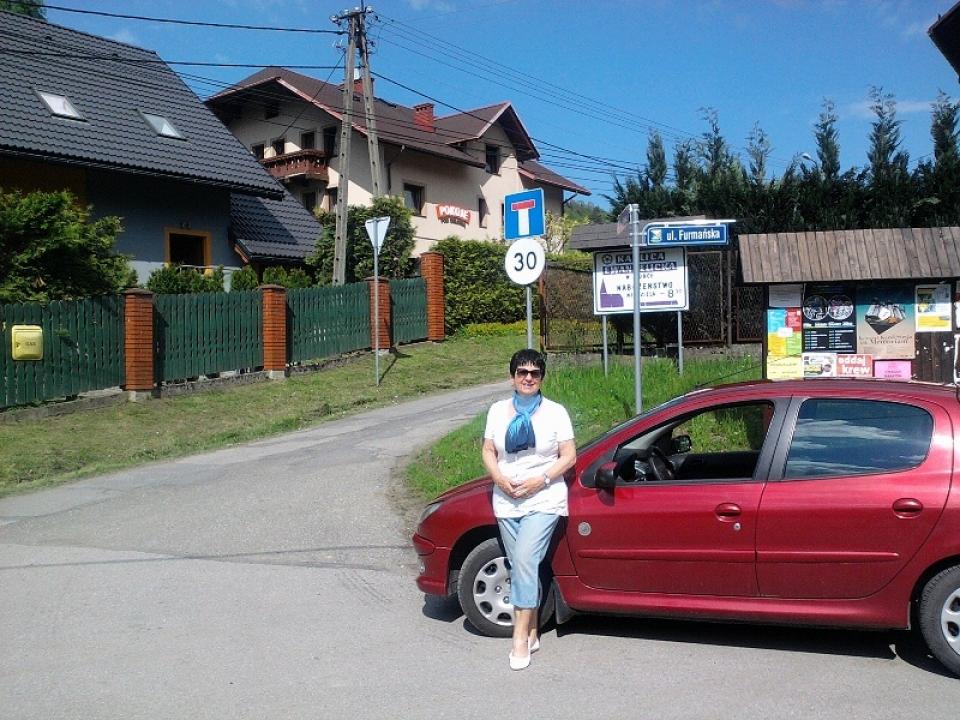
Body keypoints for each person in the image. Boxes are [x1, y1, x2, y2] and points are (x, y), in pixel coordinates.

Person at [481, 349, 576, 670]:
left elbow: (569, 456)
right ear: (512, 377)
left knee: (522, 560)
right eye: (522, 372)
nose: (528, 378)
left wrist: (542, 479)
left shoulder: (555, 412)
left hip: (544, 498)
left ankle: (519, 638)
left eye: (535, 373)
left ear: (542, 378)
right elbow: (488, 450)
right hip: (507, 500)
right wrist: (499, 478)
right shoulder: (497, 411)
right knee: (524, 566)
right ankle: (533, 629)